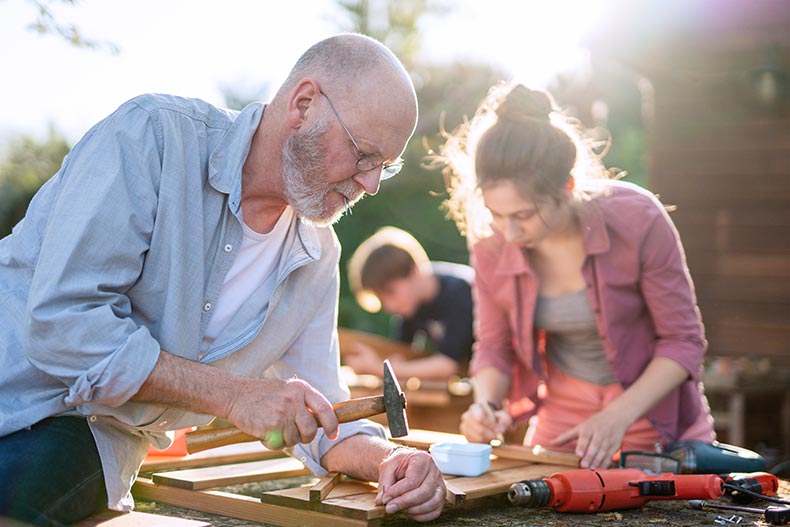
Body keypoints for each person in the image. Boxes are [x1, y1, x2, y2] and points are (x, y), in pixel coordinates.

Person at [0, 34, 445, 525]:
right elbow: (63, 323)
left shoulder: (316, 259)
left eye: (386, 165)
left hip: (78, 438)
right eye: (364, 154)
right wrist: (234, 395)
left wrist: (390, 462)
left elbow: (324, 413)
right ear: (304, 104)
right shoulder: (153, 139)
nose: (371, 183)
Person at [440, 82, 715, 469]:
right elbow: (494, 345)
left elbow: (682, 341)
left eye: (523, 215)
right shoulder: (491, 242)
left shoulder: (638, 218)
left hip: (651, 415)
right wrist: (485, 404)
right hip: (562, 418)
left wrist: (617, 416)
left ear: (566, 187)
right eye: (496, 214)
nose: (510, 233)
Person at [345, 226, 474, 380]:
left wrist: (379, 369)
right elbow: (401, 356)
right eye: (381, 299)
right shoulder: (409, 308)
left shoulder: (460, 292)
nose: (388, 306)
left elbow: (446, 365)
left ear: (414, 271)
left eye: (390, 292)